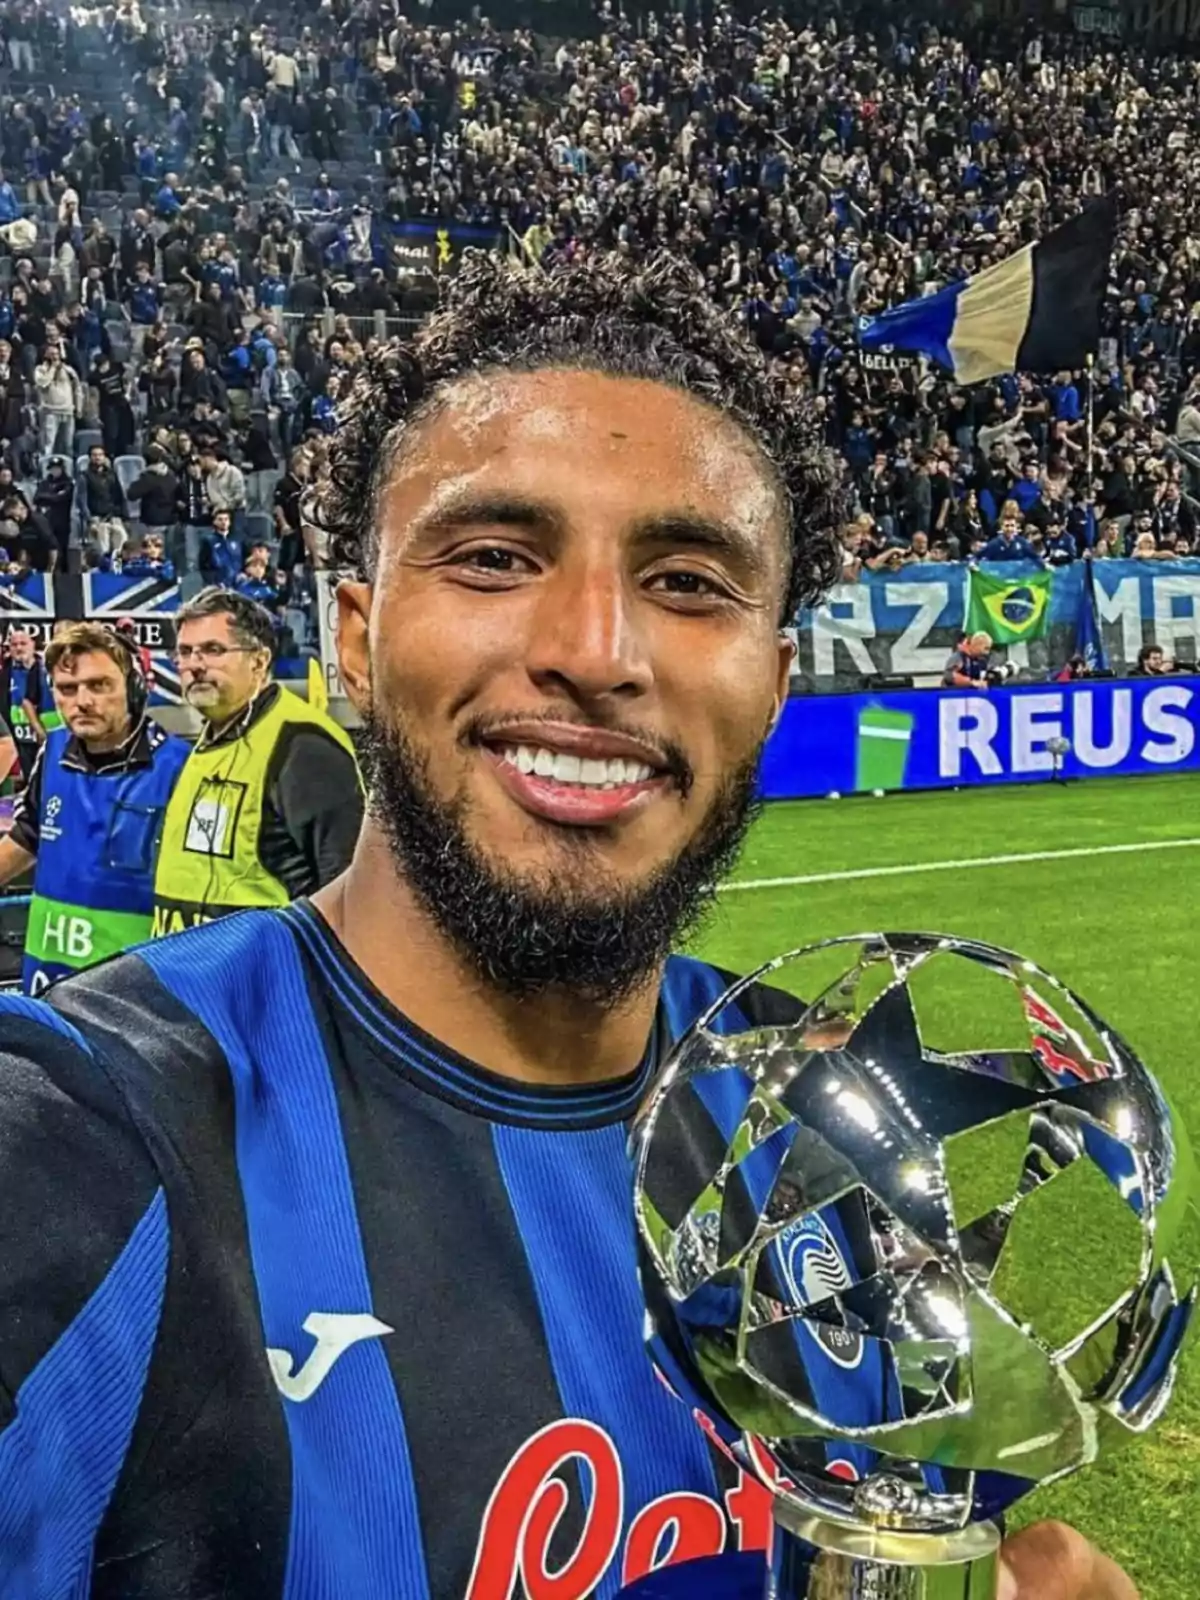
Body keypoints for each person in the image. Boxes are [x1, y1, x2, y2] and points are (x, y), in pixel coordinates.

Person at [0, 255, 1136, 1600]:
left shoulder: (820, 1109)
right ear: (354, 642)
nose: (598, 646)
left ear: (773, 683)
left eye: (691, 581)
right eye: (493, 557)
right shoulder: (79, 1141)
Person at [152, 586, 363, 935]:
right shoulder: (209, 742)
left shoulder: (302, 745)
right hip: (191, 978)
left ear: (259, 660)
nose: (194, 665)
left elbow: (348, 887)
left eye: (212, 650)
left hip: (264, 982)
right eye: (185, 652)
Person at [0, 622, 189, 993]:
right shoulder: (51, 752)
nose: (82, 701)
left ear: (135, 689)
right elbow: (27, 836)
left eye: (99, 685)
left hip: (137, 996)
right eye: (67, 689)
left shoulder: (181, 768)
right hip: (48, 986)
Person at [0, 625, 46, 779]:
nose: (18, 648)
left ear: (33, 645)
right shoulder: (4, 674)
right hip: (19, 740)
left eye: (23, 643)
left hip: (46, 738)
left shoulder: (46, 670)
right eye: (14, 644)